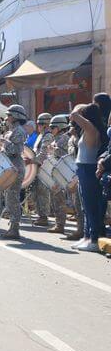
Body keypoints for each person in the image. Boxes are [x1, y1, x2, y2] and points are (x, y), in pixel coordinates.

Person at [70, 103, 105, 252]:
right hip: (83, 168)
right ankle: (86, 237)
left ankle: (94, 239)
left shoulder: (91, 128)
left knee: (91, 206)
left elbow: (73, 115)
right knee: (86, 206)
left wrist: (79, 107)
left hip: (88, 169)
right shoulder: (88, 129)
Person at [0, 105, 28, 240]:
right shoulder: (12, 130)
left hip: (16, 167)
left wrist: (4, 142)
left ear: (16, 116)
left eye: (9, 115)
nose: (7, 118)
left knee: (13, 198)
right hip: (11, 166)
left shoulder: (19, 131)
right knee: (9, 197)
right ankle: (12, 227)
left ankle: (15, 228)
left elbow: (15, 150)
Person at [28, 112, 54, 227]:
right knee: (37, 192)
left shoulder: (48, 136)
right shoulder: (40, 135)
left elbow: (43, 154)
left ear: (46, 125)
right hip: (37, 166)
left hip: (43, 167)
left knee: (43, 192)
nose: (38, 126)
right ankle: (40, 215)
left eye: (40, 124)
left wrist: (31, 161)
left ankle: (44, 216)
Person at [47, 114, 71, 235]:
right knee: (56, 198)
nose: (51, 130)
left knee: (59, 199)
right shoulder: (57, 138)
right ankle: (58, 223)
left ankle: (60, 224)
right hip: (57, 170)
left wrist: (53, 149)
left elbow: (65, 154)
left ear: (60, 127)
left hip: (63, 172)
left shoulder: (64, 138)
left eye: (53, 127)